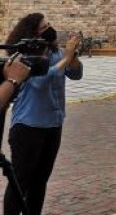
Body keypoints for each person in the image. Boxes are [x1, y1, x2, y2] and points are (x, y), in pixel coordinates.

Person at [3, 13, 82, 215]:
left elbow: (76, 74)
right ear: (33, 34)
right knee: (20, 181)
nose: (50, 29)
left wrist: (72, 57)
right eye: (44, 27)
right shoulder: (24, 55)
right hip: (28, 126)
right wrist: (66, 59)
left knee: (40, 181)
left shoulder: (56, 52)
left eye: (50, 24)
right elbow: (39, 82)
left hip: (53, 124)